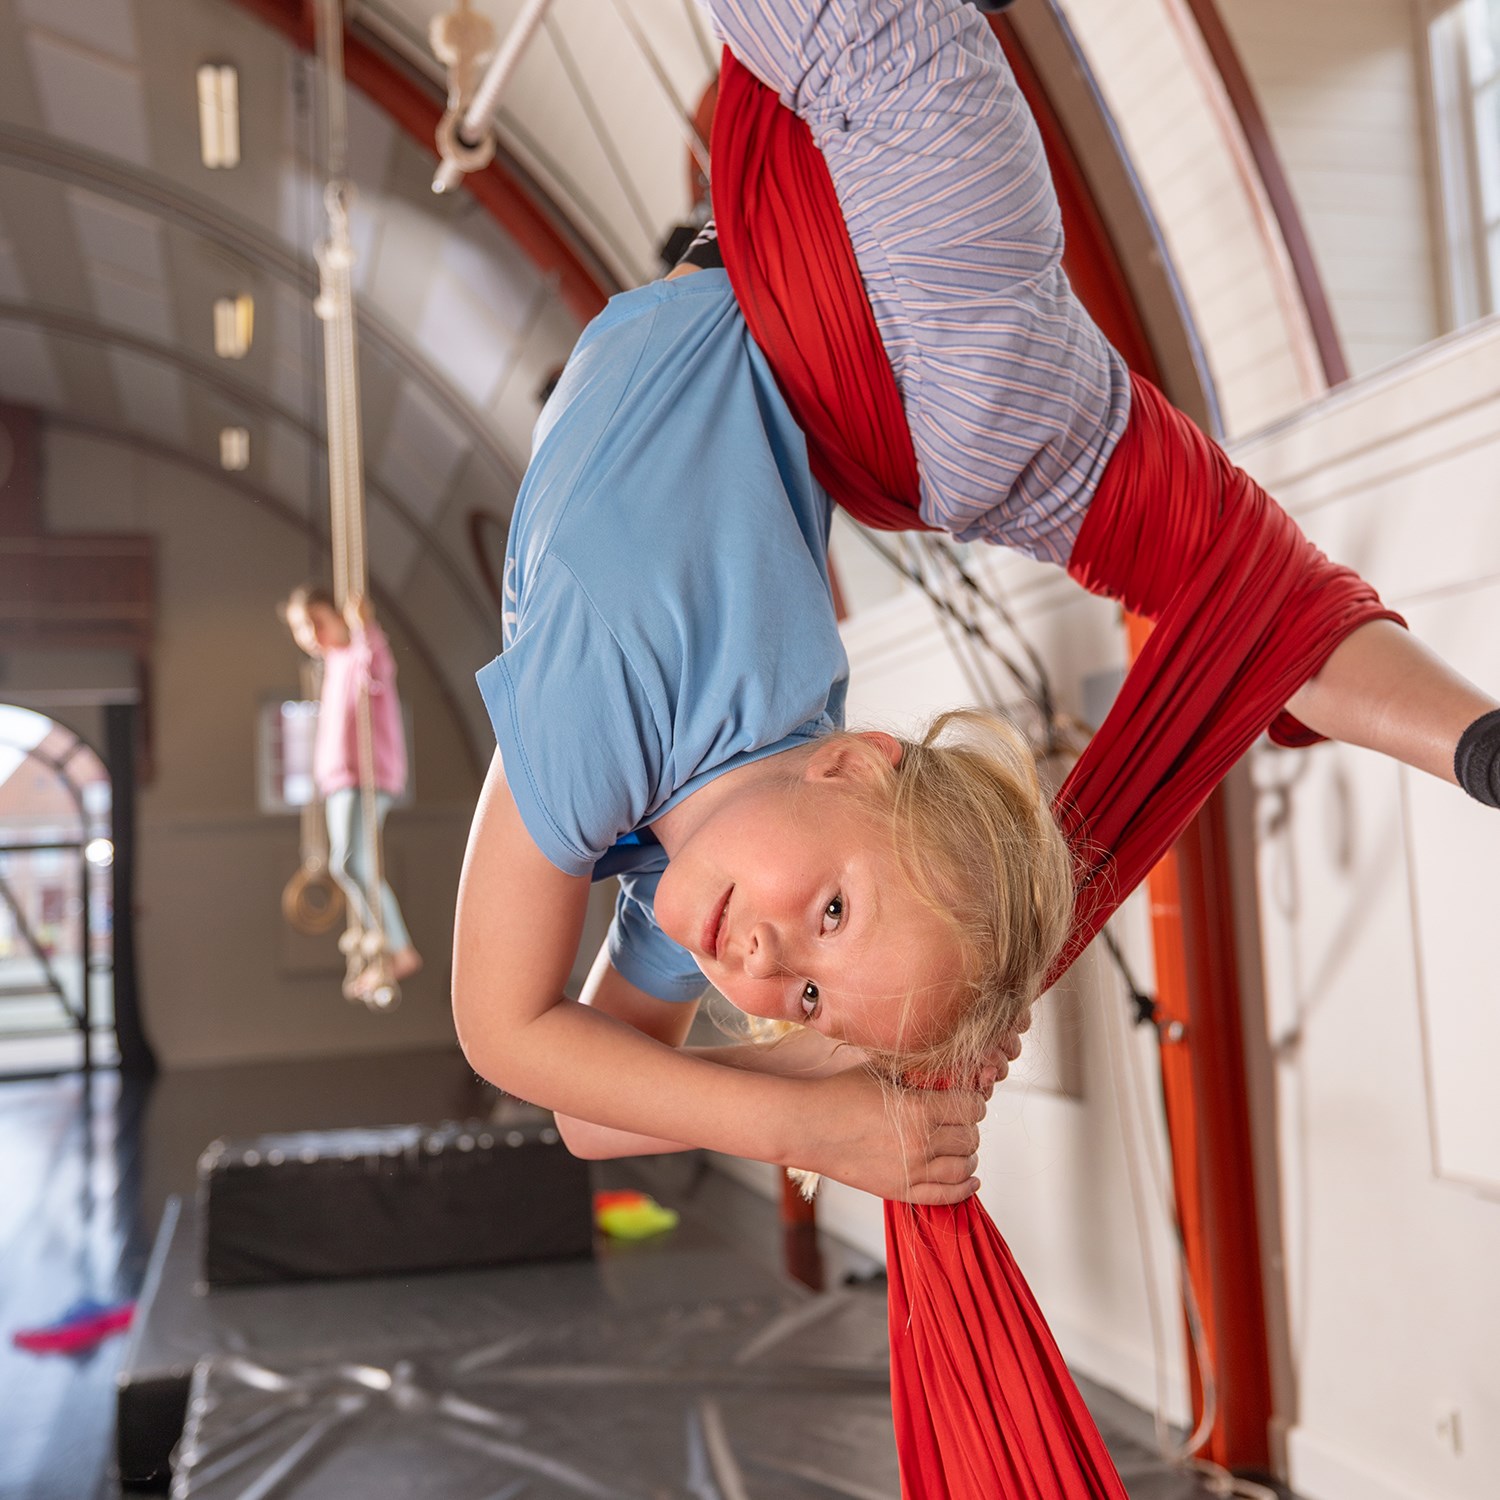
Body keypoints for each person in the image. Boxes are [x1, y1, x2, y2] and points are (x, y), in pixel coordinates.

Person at [452, 0, 1497, 1203]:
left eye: (794, 991)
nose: (767, 959)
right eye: (832, 917)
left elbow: (592, 1114)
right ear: (856, 766)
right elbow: (506, 1034)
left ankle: (1477, 743)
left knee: (1233, 577)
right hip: (873, 282)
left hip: (908, 421)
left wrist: (851, 1054)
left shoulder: (688, 843)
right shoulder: (611, 707)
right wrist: (823, 1132)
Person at [283, 586, 422, 997]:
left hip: (366, 775)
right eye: (300, 628)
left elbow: (378, 667)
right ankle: (389, 946)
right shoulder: (331, 664)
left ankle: (400, 948)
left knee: (351, 864)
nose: (311, 634)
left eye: (317, 622)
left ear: (339, 618)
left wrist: (367, 626)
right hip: (340, 780)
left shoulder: (361, 650)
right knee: (348, 865)